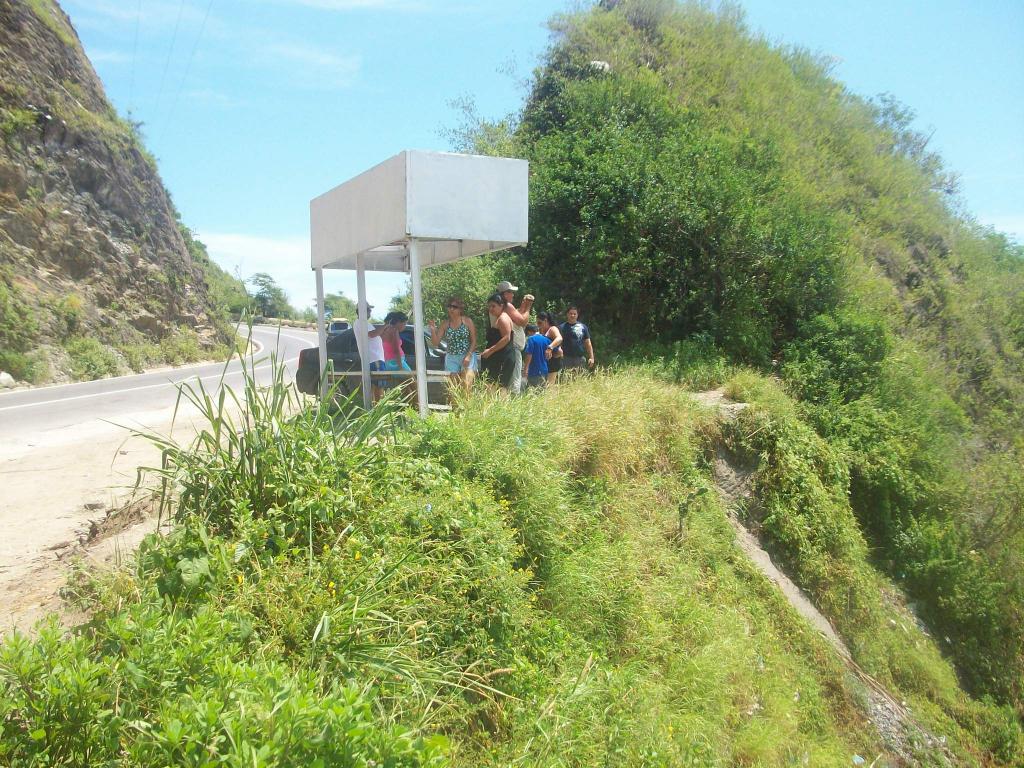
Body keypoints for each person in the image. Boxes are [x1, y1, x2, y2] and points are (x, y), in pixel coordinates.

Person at [429, 296, 477, 391]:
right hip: (452, 357)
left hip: (467, 355)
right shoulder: (445, 324)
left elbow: (474, 341)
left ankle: (466, 406)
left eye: (454, 307)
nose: (451, 309)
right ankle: (455, 406)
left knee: (466, 385)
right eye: (449, 306)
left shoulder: (467, 321)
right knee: (453, 388)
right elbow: (435, 342)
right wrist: (433, 330)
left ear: (460, 309)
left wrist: (468, 356)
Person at [494, 280, 534, 393]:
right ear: (505, 293)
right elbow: (522, 321)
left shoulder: (499, 306)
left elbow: (517, 316)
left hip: (507, 348)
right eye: (510, 292)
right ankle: (513, 404)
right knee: (515, 380)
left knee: (506, 379)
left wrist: (524, 305)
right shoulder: (507, 305)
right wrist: (528, 307)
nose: (513, 294)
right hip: (513, 348)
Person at [480, 293, 516, 391]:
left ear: (501, 305)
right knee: (496, 387)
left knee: (498, 388)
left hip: (502, 358)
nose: (491, 309)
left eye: (493, 306)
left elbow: (506, 338)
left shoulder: (503, 319)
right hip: (500, 357)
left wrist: (490, 351)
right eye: (489, 306)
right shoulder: (500, 317)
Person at [368, 311, 410, 390]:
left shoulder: (382, 330)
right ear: (398, 322)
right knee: (414, 385)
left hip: (388, 362)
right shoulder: (393, 331)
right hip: (396, 363)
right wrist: (401, 367)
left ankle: (412, 402)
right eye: (404, 323)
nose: (405, 326)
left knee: (405, 388)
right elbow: (396, 350)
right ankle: (419, 402)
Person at [353, 302, 385, 401]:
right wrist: (385, 326)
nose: (370, 312)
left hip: (375, 359)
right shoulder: (360, 322)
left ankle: (374, 408)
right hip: (374, 359)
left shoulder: (364, 323)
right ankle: (378, 409)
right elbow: (371, 334)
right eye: (368, 310)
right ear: (362, 311)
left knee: (377, 385)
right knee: (379, 385)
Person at [559, 305, 594, 372]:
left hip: (580, 358)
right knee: (566, 380)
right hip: (566, 358)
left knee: (579, 380)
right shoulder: (561, 327)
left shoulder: (583, 327)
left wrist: (591, 357)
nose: (572, 315)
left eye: (574, 314)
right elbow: (559, 343)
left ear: (577, 315)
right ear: (567, 314)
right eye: (571, 313)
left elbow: (588, 343)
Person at [537, 311, 562, 385]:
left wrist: (550, 348)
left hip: (553, 361)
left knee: (550, 385)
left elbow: (559, 338)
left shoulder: (552, 329)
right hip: (545, 361)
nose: (538, 325)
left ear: (545, 321)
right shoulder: (541, 331)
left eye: (540, 323)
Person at [523, 323, 551, 390]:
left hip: (534, 371)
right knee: (542, 392)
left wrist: (526, 369)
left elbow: (529, 354)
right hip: (544, 370)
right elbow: (559, 351)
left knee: (533, 393)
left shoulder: (531, 339)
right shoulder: (546, 339)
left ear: (529, 331)